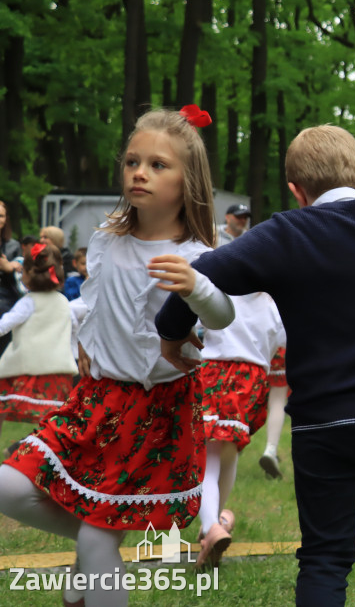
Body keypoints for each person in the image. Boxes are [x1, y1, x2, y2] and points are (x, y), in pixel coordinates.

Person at [154, 124, 355, 607]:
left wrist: (171, 330)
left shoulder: (284, 234)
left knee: (325, 559)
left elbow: (200, 275)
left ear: (297, 191)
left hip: (321, 425)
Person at [0, 106, 232, 607]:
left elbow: (221, 317)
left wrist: (198, 288)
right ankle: (93, 554)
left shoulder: (195, 254)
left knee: (96, 539)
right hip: (96, 400)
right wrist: (83, 334)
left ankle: (94, 565)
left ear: (187, 181)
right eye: (132, 161)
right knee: (8, 486)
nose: (140, 172)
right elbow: (101, 301)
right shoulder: (106, 238)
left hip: (155, 412)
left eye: (157, 164)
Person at [193, 291, 284, 569]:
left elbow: (196, 325)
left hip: (213, 370)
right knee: (230, 452)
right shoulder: (272, 305)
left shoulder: (219, 294)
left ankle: (211, 526)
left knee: (207, 458)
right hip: (251, 379)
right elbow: (280, 343)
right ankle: (217, 517)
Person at [0, 244, 76, 443]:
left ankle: (16, 450)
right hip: (57, 373)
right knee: (51, 420)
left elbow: (5, 325)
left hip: (24, 370)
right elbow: (75, 329)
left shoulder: (28, 302)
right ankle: (41, 452)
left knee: (2, 409)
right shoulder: (64, 302)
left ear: (27, 274)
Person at [260, 343, 288, 479]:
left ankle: (234, 443)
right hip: (282, 348)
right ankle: (271, 449)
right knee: (278, 399)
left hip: (260, 347)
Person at [0, 201, 22, 357]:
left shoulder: (13, 245)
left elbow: (22, 282)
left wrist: (9, 269)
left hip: (7, 300)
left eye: (1, 215)